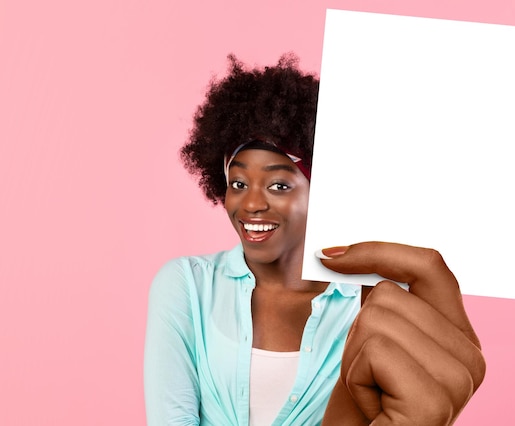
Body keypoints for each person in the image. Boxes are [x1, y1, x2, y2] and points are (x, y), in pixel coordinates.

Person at [144, 54, 485, 426]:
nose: (253, 204)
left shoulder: (374, 307)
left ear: (320, 192)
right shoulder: (188, 285)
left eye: (279, 185)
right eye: (238, 184)